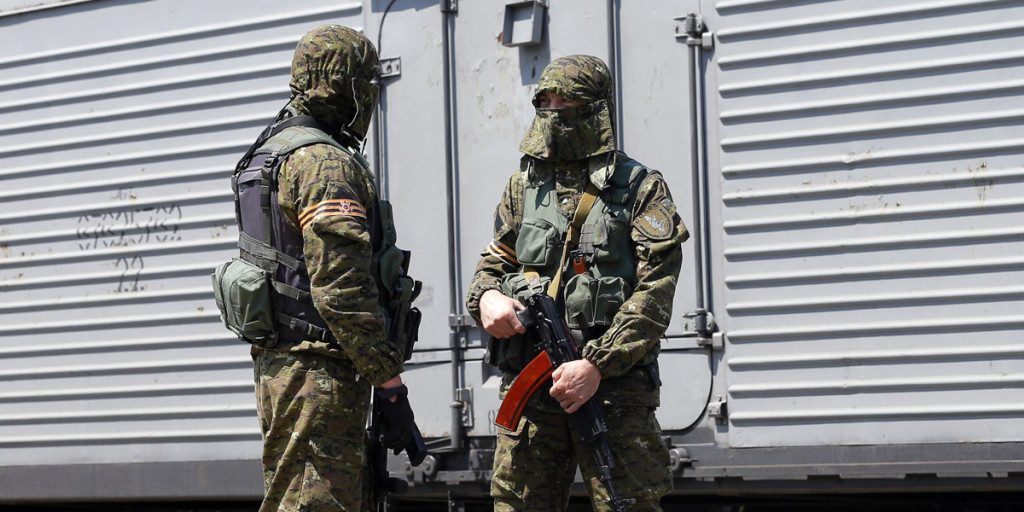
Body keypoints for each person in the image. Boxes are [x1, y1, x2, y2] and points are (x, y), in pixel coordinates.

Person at [465, 55, 689, 512]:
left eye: (565, 101)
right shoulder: (522, 187)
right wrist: (486, 298)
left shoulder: (640, 187)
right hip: (531, 387)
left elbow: (654, 295)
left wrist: (597, 365)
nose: (553, 111)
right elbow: (493, 263)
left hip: (615, 391)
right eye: (544, 101)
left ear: (595, 107)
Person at [231, 25, 417, 511]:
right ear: (346, 84)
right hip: (320, 374)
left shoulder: (270, 151)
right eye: (366, 81)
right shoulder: (324, 162)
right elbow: (340, 288)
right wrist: (389, 383)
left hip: (285, 367)